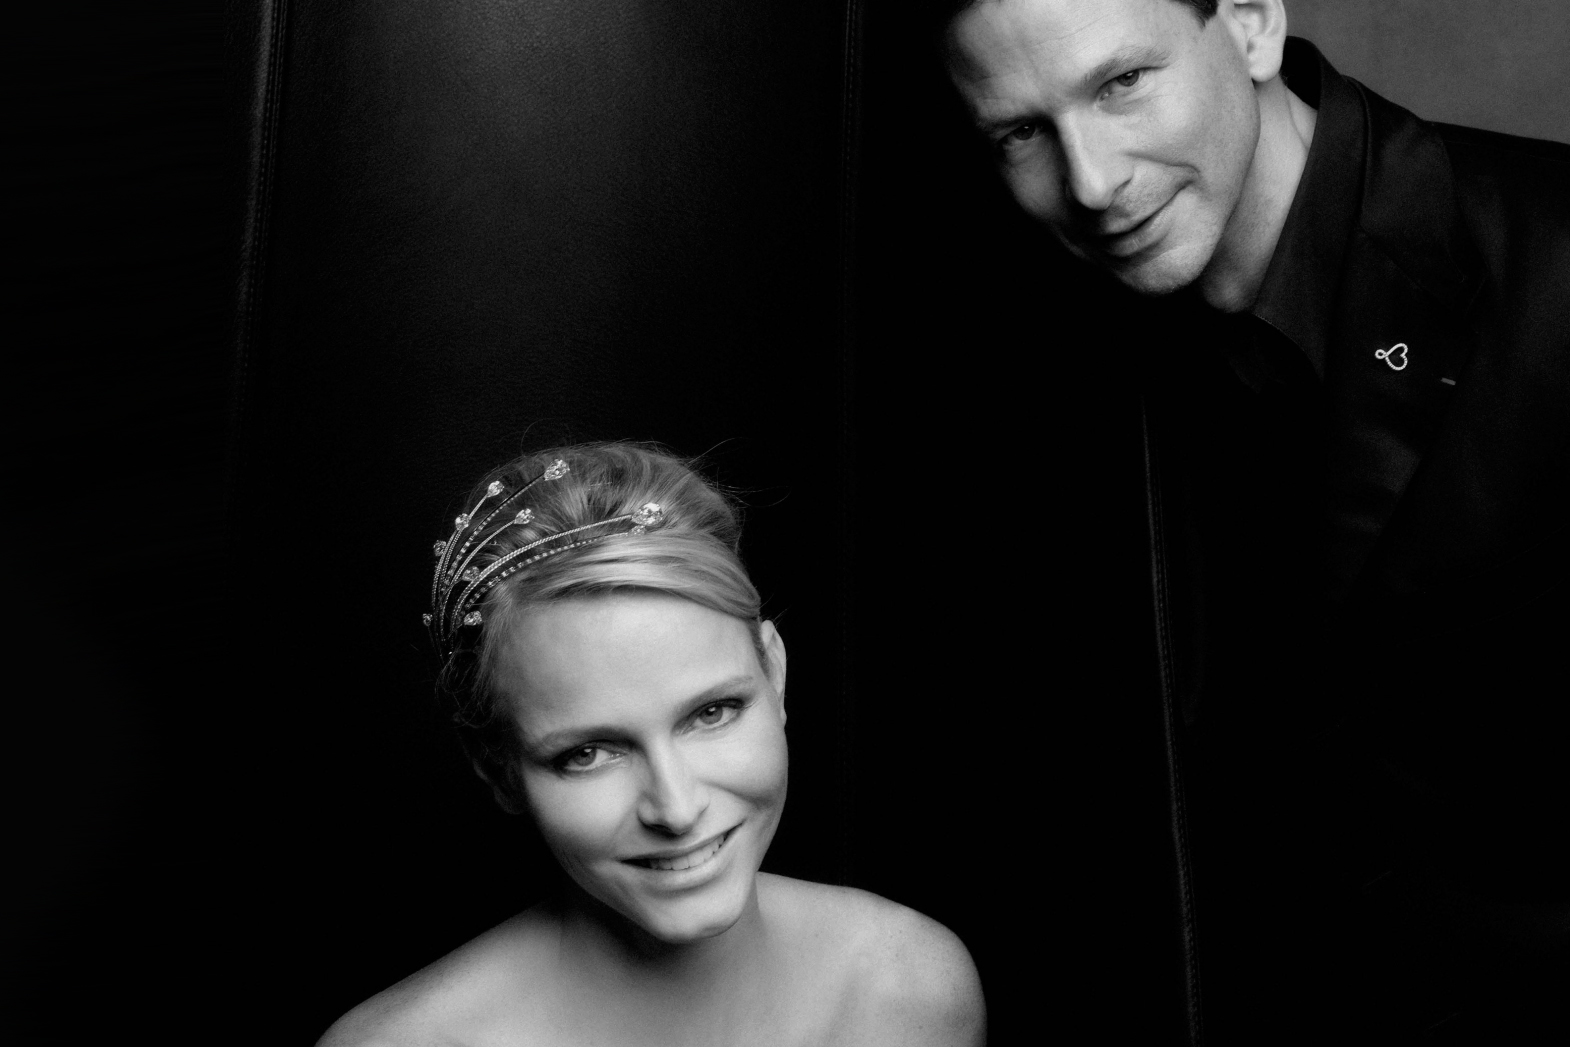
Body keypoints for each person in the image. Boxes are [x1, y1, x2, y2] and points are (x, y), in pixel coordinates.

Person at [942, 1, 1568, 1043]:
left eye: (1120, 83)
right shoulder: (1034, 351)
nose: (1091, 183)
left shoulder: (1548, 265)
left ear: (1249, 24)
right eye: (1020, 132)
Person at [318, 442, 985, 1047]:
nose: (676, 805)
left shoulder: (909, 988)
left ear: (775, 673)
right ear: (498, 768)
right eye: (588, 752)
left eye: (712, 712)